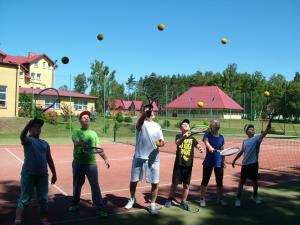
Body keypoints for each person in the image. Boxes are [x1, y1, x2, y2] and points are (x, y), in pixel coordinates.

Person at [14, 119, 57, 225]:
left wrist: (54, 173)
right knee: (24, 198)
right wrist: (28, 123)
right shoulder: (28, 140)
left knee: (43, 199)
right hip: (29, 174)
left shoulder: (45, 143)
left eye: (39, 127)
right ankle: (17, 220)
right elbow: (22, 135)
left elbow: (49, 159)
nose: (38, 128)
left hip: (42, 175)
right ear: (30, 129)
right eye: (35, 126)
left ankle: (43, 220)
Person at [124, 104, 165, 215]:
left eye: (149, 110)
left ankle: (152, 204)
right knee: (134, 180)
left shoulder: (157, 125)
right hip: (139, 156)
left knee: (155, 181)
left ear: (153, 113)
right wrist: (144, 114)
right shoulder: (140, 123)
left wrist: (161, 143)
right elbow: (138, 124)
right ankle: (132, 199)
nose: (147, 112)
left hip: (154, 157)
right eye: (145, 110)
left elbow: (162, 141)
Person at [68, 111, 110, 216]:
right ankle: (75, 204)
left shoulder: (94, 133)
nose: (86, 118)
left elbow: (98, 147)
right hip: (78, 163)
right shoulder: (76, 131)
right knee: (77, 185)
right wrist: (83, 144)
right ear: (80, 120)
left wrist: (105, 158)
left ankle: (100, 208)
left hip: (91, 164)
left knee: (95, 186)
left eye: (88, 117)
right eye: (84, 117)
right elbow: (76, 142)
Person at [164, 119, 203, 210]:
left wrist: (201, 148)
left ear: (189, 128)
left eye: (187, 124)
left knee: (186, 185)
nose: (185, 124)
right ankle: (170, 199)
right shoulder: (178, 136)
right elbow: (178, 143)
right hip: (179, 164)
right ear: (180, 128)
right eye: (183, 124)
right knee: (174, 184)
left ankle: (183, 201)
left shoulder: (192, 138)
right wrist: (184, 137)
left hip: (188, 166)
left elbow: (198, 145)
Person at [232, 121, 271, 207]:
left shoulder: (257, 138)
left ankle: (255, 196)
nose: (252, 129)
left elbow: (264, 133)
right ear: (246, 131)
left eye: (253, 128)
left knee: (255, 182)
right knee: (241, 182)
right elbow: (241, 152)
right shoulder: (245, 141)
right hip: (245, 165)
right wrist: (235, 159)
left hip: (254, 164)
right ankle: (238, 198)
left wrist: (268, 128)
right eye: (250, 128)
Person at [199, 119, 227, 207]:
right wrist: (210, 147)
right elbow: (206, 142)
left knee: (219, 181)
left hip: (219, 162)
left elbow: (222, 150)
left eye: (218, 122)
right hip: (208, 162)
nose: (217, 124)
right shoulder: (208, 134)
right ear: (211, 125)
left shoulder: (221, 137)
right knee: (205, 180)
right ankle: (202, 199)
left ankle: (220, 198)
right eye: (215, 123)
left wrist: (224, 161)